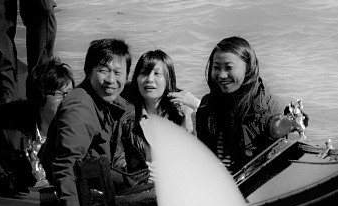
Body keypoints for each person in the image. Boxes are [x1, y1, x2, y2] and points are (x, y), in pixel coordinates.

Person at [41, 38, 135, 206]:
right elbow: (65, 161)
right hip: (81, 191)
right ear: (89, 71)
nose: (111, 80)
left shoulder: (112, 101)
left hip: (103, 179)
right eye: (103, 71)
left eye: (118, 73)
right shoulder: (79, 107)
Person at [195, 36, 309, 173]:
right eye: (216, 67)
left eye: (228, 67)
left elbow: (288, 160)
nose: (221, 75)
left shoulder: (273, 107)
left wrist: (277, 130)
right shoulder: (207, 105)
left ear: (248, 68)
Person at [0, 59, 75, 196]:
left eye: (70, 93)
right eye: (59, 94)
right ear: (41, 96)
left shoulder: (78, 128)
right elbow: (5, 186)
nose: (67, 101)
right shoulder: (10, 136)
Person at [121, 50, 199, 176]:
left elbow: (195, 156)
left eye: (157, 73)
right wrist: (142, 174)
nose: (149, 79)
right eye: (144, 73)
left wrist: (198, 105)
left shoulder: (183, 112)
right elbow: (119, 161)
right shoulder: (126, 113)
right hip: (139, 186)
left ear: (168, 79)